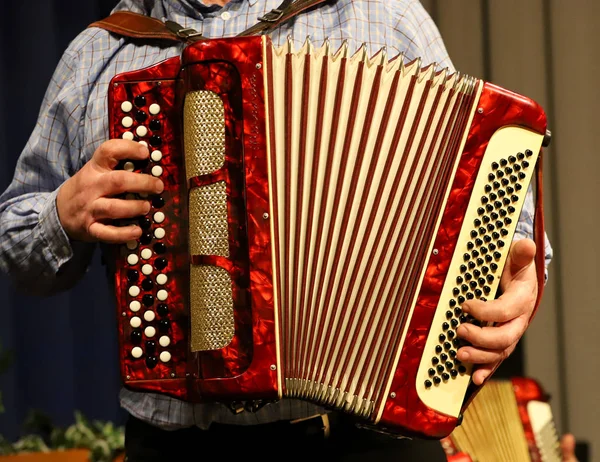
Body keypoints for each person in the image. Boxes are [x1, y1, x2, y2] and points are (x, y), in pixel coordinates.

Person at [0, 0, 553, 460]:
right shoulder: (100, 53)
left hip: (367, 439)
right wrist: (62, 213)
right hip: (182, 445)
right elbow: (15, 242)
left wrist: (521, 287)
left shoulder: (382, 17)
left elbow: (494, 193)